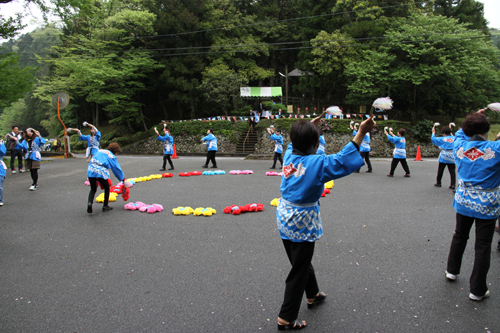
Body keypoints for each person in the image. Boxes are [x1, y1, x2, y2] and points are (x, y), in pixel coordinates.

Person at [276, 113, 375, 330]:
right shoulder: (317, 164)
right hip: (302, 219)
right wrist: (361, 131)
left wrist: (308, 127)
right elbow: (341, 159)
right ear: (314, 144)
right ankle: (286, 316)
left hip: (284, 216)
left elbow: (298, 142)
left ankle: (312, 294)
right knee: (299, 268)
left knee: (300, 260)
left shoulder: (289, 156)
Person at [445, 110, 500, 301]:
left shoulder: (459, 146)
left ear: (467, 129)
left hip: (463, 199)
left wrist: (472, 116)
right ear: (487, 128)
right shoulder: (495, 149)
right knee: (483, 244)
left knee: (460, 235)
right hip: (487, 203)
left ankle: (452, 270)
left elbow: (460, 133)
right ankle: (477, 289)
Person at [87, 143, 126, 213]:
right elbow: (116, 168)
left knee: (93, 189)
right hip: (100, 171)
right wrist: (122, 179)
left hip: (91, 169)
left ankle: (89, 203)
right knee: (107, 187)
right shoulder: (111, 156)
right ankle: (105, 206)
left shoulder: (100, 151)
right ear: (115, 151)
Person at [0, 139, 6, 206]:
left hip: (0, 168)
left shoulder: (2, 145)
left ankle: (0, 199)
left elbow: (2, 152)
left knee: (0, 186)